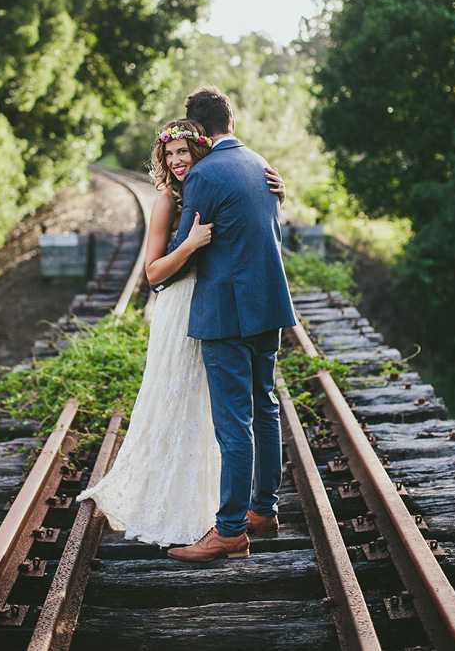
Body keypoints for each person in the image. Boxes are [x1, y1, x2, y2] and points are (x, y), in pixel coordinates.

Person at [76, 115, 287, 548]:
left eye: (183, 152)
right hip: (184, 310)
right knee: (185, 405)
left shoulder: (210, 183)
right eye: (169, 154)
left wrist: (280, 195)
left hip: (216, 308)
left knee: (219, 414)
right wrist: (189, 245)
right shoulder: (167, 201)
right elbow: (153, 273)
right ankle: (197, 505)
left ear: (200, 151)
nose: (176, 161)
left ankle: (233, 514)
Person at [158, 87, 297, 563]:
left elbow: (180, 254)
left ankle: (231, 531)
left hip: (227, 315)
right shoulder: (262, 164)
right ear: (230, 120)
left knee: (233, 425)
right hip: (268, 307)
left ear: (196, 130)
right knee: (266, 408)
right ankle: (264, 511)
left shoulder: (203, 175)